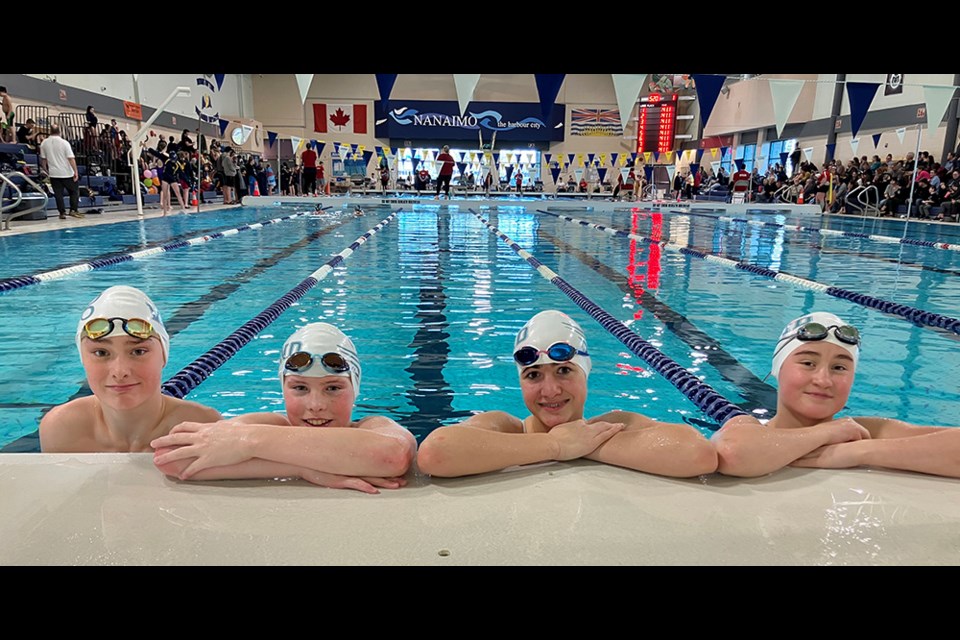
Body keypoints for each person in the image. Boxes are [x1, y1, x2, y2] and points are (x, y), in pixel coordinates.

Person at [416, 310, 717, 478]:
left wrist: (583, 444)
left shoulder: (614, 426)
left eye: (564, 370)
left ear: (585, 371)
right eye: (533, 375)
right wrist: (554, 445)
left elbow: (697, 454)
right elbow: (436, 452)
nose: (550, 391)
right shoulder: (506, 427)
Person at [151, 323, 417, 493]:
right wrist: (304, 469)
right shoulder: (272, 424)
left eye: (333, 388)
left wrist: (250, 443)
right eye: (300, 388)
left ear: (355, 389)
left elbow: (394, 456)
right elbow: (172, 457)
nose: (316, 406)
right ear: (283, 388)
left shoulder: (372, 426)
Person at [712, 312, 960, 478]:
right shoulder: (749, 427)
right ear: (778, 368)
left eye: (839, 367)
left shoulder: (865, 432)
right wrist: (826, 433)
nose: (823, 380)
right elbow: (733, 452)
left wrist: (860, 452)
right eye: (808, 363)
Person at [39, 286, 221, 453]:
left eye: (138, 351)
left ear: (163, 356)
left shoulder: (203, 427)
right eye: (101, 352)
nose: (119, 371)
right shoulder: (61, 430)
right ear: (83, 359)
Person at [39, 124, 82, 220]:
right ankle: (73, 210)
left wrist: (47, 170)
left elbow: (43, 160)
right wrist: (76, 171)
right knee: (74, 191)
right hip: (66, 173)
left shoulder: (44, 143)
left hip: (54, 173)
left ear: (50, 131)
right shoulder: (64, 143)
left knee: (58, 194)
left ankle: (62, 213)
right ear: (60, 131)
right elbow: (71, 158)